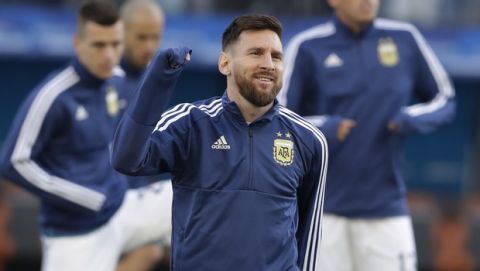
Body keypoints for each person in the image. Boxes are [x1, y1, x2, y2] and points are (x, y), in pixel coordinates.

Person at [110, 14, 328, 271]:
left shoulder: (309, 139)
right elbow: (125, 159)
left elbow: (310, 235)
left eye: (276, 56)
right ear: (225, 64)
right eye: (256, 53)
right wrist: (157, 84)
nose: (268, 63)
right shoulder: (190, 123)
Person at [280, 0, 456, 270]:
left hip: (386, 210)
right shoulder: (307, 46)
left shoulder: (405, 37)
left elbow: (445, 99)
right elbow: (278, 119)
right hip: (322, 213)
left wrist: (410, 118)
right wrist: (324, 128)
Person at [0, 1, 170, 270]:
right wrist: (85, 196)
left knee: (201, 195)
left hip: (121, 208)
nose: (108, 55)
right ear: (78, 43)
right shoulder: (53, 96)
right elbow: (13, 162)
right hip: (75, 231)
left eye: (115, 45)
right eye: (99, 45)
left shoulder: (117, 81)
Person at [117, 0, 171, 269]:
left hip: (136, 205)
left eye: (155, 37)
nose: (149, 46)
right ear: (121, 31)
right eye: (141, 37)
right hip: (96, 207)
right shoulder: (104, 80)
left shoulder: (152, 81)